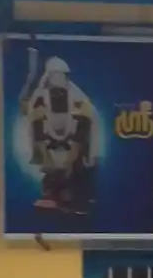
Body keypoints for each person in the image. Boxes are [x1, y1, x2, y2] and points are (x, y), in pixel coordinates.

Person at [21, 52, 98, 215]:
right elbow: (32, 119)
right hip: (49, 147)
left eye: (60, 76)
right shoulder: (40, 98)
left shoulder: (78, 98)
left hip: (73, 146)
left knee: (83, 127)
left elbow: (89, 119)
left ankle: (73, 199)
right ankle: (54, 193)